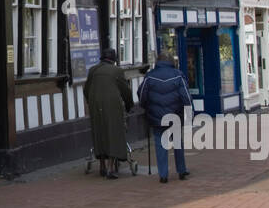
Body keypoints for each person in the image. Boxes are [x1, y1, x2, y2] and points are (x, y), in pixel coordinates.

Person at [138, 52, 193, 183]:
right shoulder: (178, 75)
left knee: (160, 144)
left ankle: (163, 174)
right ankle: (181, 170)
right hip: (175, 115)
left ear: (158, 62)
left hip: (156, 116)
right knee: (178, 142)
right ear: (171, 62)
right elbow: (186, 96)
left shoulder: (150, 76)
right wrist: (190, 113)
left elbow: (141, 94)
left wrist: (145, 107)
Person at [83, 47, 132, 179]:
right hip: (112, 105)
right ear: (114, 60)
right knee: (113, 133)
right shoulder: (117, 71)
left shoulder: (93, 70)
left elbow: (86, 89)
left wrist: (91, 102)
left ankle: (102, 165)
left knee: (99, 133)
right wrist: (129, 105)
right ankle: (111, 168)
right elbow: (125, 91)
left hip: (95, 104)